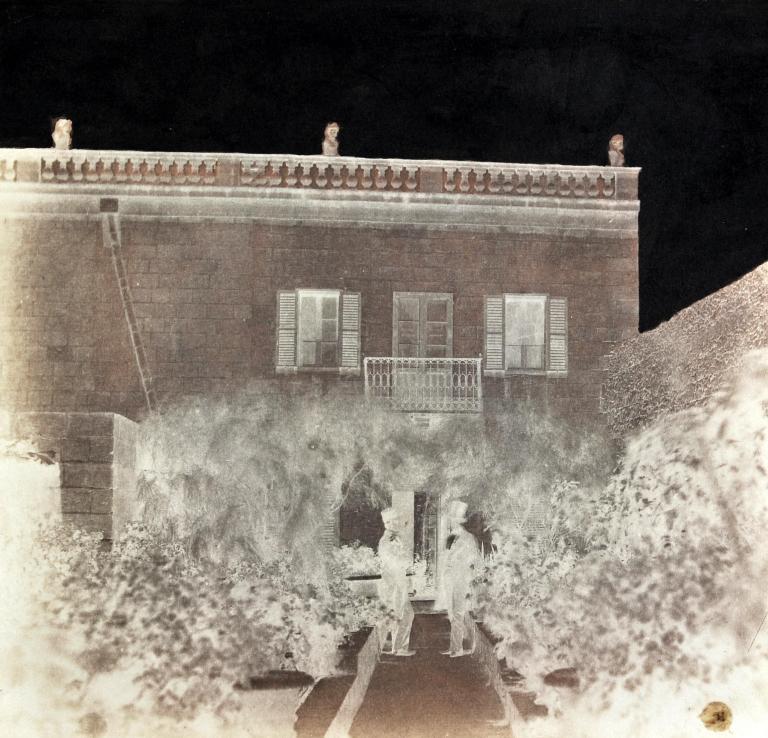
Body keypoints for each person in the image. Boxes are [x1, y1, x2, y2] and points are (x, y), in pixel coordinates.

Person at [439, 500, 481, 657]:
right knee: (451, 613)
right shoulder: (450, 538)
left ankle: (458, 648)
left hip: (461, 579)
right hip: (449, 580)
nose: (452, 523)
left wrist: (470, 576)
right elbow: (445, 558)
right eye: (451, 520)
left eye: (454, 520)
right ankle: (454, 646)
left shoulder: (468, 538)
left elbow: (476, 560)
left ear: (460, 522)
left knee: (458, 613)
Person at [377, 507, 416, 656]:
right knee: (401, 614)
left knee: (402, 613)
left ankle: (393, 647)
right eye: (394, 521)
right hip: (393, 583)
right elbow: (394, 563)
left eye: (397, 521)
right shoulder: (387, 541)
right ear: (388, 524)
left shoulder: (394, 538)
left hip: (398, 582)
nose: (398, 523)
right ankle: (397, 648)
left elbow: (404, 560)